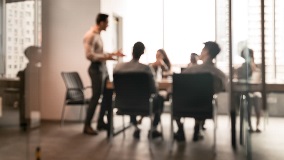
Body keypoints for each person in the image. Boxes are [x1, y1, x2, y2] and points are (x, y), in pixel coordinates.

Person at [174, 41, 227, 142]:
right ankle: (197, 127)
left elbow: (175, 86)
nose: (201, 52)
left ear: (206, 51)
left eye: (202, 50)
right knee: (202, 98)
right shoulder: (220, 74)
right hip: (205, 108)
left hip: (183, 107)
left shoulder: (190, 70)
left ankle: (180, 128)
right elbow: (221, 89)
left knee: (176, 98)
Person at [83, 13, 124, 135]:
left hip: (103, 69)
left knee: (107, 95)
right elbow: (89, 55)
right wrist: (108, 56)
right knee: (96, 97)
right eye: (107, 22)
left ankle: (101, 122)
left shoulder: (98, 35)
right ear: (101, 23)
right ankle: (87, 125)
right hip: (96, 69)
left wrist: (112, 54)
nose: (108, 25)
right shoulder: (90, 36)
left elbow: (99, 52)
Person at [114, 42, 164, 139]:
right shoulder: (146, 69)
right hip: (145, 105)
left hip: (123, 104)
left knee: (130, 97)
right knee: (160, 98)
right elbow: (153, 90)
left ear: (132, 51)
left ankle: (135, 127)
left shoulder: (118, 68)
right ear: (142, 53)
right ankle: (153, 129)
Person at [237, 48, 262, 133]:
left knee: (257, 102)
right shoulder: (240, 68)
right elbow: (239, 80)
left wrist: (253, 66)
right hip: (246, 92)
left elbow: (258, 78)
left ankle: (258, 125)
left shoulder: (256, 67)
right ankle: (249, 125)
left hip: (256, 91)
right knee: (247, 105)